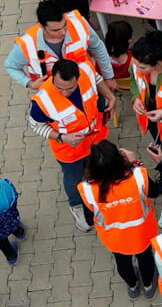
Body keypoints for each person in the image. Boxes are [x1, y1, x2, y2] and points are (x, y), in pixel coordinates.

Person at [27, 59, 111, 232]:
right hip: (69, 151)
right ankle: (76, 205)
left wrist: (110, 96)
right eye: (59, 88)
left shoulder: (86, 70)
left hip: (96, 138)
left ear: (77, 78)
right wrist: (61, 137)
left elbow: (97, 78)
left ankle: (101, 196)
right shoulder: (42, 100)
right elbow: (36, 125)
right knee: (74, 180)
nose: (64, 93)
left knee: (99, 169)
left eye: (70, 88)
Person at [80, 141, 162, 300]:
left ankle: (132, 286)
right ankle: (148, 287)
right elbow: (155, 191)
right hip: (142, 233)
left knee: (122, 263)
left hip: (114, 238)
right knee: (145, 260)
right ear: (120, 160)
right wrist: (135, 163)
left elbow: (89, 219)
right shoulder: (138, 176)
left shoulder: (87, 189)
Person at [3, 0, 117, 99]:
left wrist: (109, 77)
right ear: (42, 26)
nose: (63, 32)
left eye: (64, 25)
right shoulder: (26, 44)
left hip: (89, 89)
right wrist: (30, 83)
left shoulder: (79, 24)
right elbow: (11, 66)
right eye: (55, 30)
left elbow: (98, 48)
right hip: (55, 98)